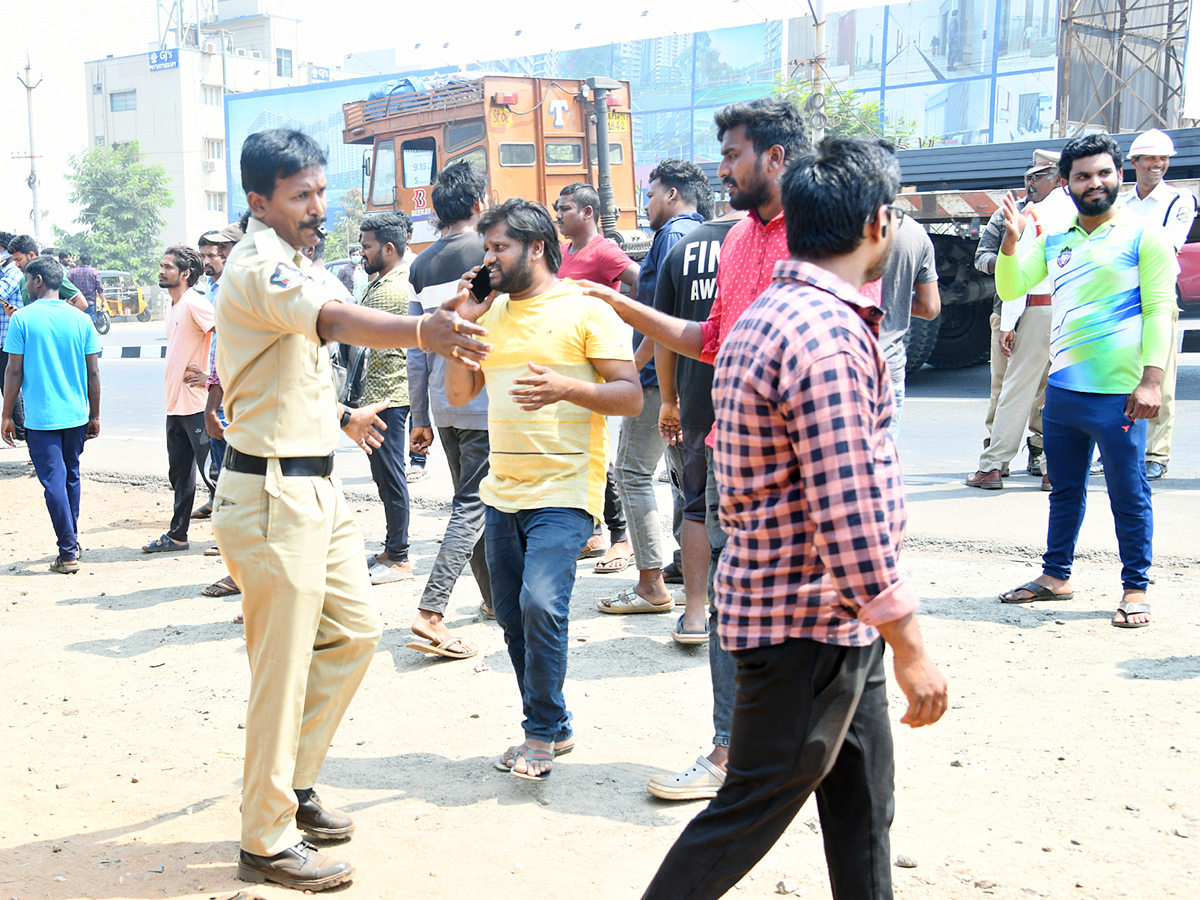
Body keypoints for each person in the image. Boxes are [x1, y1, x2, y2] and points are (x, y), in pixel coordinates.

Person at [640, 136, 948, 900]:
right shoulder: (827, 334)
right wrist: (909, 640)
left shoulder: (775, 315)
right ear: (880, 223)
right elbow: (848, 506)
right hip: (803, 617)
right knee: (751, 804)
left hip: (830, 617)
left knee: (863, 803)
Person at [214, 128, 488, 891]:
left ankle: (291, 783)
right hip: (271, 492)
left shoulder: (296, 264)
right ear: (259, 200)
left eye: (320, 191)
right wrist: (420, 330)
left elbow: (283, 370)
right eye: (300, 195)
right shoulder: (258, 265)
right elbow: (330, 323)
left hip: (314, 484)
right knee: (281, 672)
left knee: (358, 634)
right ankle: (264, 839)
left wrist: (340, 417)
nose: (317, 207)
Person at [581, 96, 809, 798]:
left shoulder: (816, 234)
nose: (723, 168)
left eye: (734, 154)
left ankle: (781, 752)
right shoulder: (738, 239)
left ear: (776, 156)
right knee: (734, 611)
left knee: (812, 621)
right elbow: (710, 339)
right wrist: (626, 310)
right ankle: (729, 749)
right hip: (732, 450)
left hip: (800, 464)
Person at [444, 198, 641, 781]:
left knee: (540, 604)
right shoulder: (491, 313)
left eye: (500, 247)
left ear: (536, 247)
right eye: (487, 249)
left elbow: (629, 395)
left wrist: (565, 389)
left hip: (567, 489)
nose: (490, 259)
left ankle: (537, 737)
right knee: (511, 615)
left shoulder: (585, 310)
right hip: (503, 492)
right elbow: (458, 394)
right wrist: (466, 317)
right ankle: (553, 722)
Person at [996, 133, 1175, 630]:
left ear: (1119, 174)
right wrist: (1013, 242)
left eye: (1102, 173)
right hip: (1065, 392)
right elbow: (1011, 285)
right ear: (1067, 184)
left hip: (1120, 395)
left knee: (1128, 491)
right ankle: (1056, 577)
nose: (1094, 183)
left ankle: (1135, 586)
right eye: (1082, 176)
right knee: (1064, 489)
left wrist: (1152, 381)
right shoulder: (1055, 238)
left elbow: (1162, 310)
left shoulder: (1145, 236)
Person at [598, 158, 708, 615]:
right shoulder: (710, 236)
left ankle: (650, 583)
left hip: (661, 383)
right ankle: (688, 567)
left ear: (672, 194)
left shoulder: (671, 238)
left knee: (631, 473)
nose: (646, 205)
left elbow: (663, 323)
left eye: (650, 193)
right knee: (688, 480)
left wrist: (635, 371)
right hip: (689, 380)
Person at [407, 160, 495, 647]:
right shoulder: (489, 252)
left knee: (472, 503)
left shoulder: (420, 264)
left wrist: (419, 416)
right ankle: (431, 608)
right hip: (481, 399)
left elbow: (416, 350)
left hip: (443, 404)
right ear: (479, 204)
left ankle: (493, 600)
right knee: (473, 504)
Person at [967, 149, 1072, 489]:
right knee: (1064, 390)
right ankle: (1055, 468)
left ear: (1059, 178)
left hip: (1037, 308)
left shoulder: (1033, 215)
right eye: (1029, 176)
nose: (1031, 182)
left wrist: (1009, 324)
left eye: (1039, 176)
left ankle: (994, 464)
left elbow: (1020, 279)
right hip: (1075, 311)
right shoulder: (1086, 212)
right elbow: (984, 258)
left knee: (1016, 390)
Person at [554, 181, 641, 567]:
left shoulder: (604, 251)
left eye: (566, 208)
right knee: (577, 445)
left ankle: (622, 536)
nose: (559, 214)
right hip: (570, 360)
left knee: (602, 449)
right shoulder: (561, 251)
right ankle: (593, 532)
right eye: (557, 208)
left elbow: (643, 282)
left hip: (600, 359)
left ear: (588, 213)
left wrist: (620, 317)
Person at [2, 256, 101, 573]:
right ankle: (71, 541)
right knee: (71, 475)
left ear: (38, 281)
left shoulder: (22, 320)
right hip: (76, 415)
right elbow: (94, 374)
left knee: (54, 483)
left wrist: (6, 415)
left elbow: (14, 372)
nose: (25, 286)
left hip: (42, 419)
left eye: (27, 280)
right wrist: (95, 414)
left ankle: (68, 552)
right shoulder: (81, 320)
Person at [1119, 128, 1198, 481]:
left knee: (1159, 378)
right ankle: (1118, 448)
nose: (1159, 164)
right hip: (1123, 298)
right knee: (1121, 376)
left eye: (1163, 159)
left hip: (1159, 296)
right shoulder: (1121, 203)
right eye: (1150, 158)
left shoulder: (1180, 201)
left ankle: (1156, 455)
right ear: (1134, 162)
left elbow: (1168, 247)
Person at [357, 211, 419, 587]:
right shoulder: (381, 281)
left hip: (389, 398)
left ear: (389, 248)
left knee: (391, 478)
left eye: (367, 246)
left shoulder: (395, 288)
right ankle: (390, 548)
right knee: (383, 477)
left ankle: (399, 558)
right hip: (377, 396)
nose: (361, 253)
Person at [142, 245, 215, 553]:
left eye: (168, 267)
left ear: (185, 274)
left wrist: (212, 377)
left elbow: (228, 332)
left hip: (197, 406)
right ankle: (177, 535)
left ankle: (238, 539)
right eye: (161, 265)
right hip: (175, 405)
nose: (161, 270)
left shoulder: (194, 303)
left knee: (216, 476)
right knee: (180, 475)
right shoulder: (173, 306)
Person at [193, 222, 245, 598]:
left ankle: (243, 573)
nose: (215, 259)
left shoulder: (242, 285)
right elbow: (220, 352)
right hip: (230, 401)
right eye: (210, 254)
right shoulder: (220, 288)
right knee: (230, 490)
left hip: (243, 405)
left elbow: (230, 354)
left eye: (220, 252)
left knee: (238, 493)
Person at [877, 205, 940, 430]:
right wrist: (896, 302)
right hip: (888, 367)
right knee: (882, 461)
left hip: (840, 368)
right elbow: (930, 307)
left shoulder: (836, 226)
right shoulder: (914, 232)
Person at [6, 235, 87, 311]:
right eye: (15, 261)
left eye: (19, 259)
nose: (17, 264)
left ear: (31, 255)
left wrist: (59, 323)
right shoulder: (22, 281)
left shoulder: (52, 274)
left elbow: (81, 303)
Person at [0, 234, 27, 443]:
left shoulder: (11, 273)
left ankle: (25, 436)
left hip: (8, 342)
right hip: (5, 341)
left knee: (11, 390)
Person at [68, 252, 106, 321]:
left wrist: (69, 299)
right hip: (90, 303)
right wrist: (103, 301)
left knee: (78, 321)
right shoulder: (94, 272)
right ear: (90, 261)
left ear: (80, 261)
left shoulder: (73, 272)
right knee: (90, 323)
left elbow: (68, 286)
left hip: (77, 303)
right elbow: (100, 288)